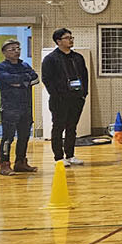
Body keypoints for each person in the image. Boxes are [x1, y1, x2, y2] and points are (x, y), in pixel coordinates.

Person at [41, 28, 90, 166]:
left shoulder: (78, 57)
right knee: (58, 128)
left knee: (72, 127)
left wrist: (83, 93)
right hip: (59, 100)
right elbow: (47, 79)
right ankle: (58, 157)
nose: (71, 40)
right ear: (58, 41)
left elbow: (85, 76)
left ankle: (70, 155)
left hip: (76, 98)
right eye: (67, 38)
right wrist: (57, 95)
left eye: (71, 37)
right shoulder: (50, 59)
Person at [0, 40, 40, 175]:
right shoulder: (0, 67)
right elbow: (8, 80)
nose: (16, 51)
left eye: (18, 48)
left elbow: (36, 78)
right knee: (8, 137)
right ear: (4, 52)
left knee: (24, 136)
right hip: (9, 107)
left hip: (26, 107)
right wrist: (24, 81)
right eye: (12, 49)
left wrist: (19, 82)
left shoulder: (25, 65)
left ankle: (20, 162)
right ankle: (4, 164)